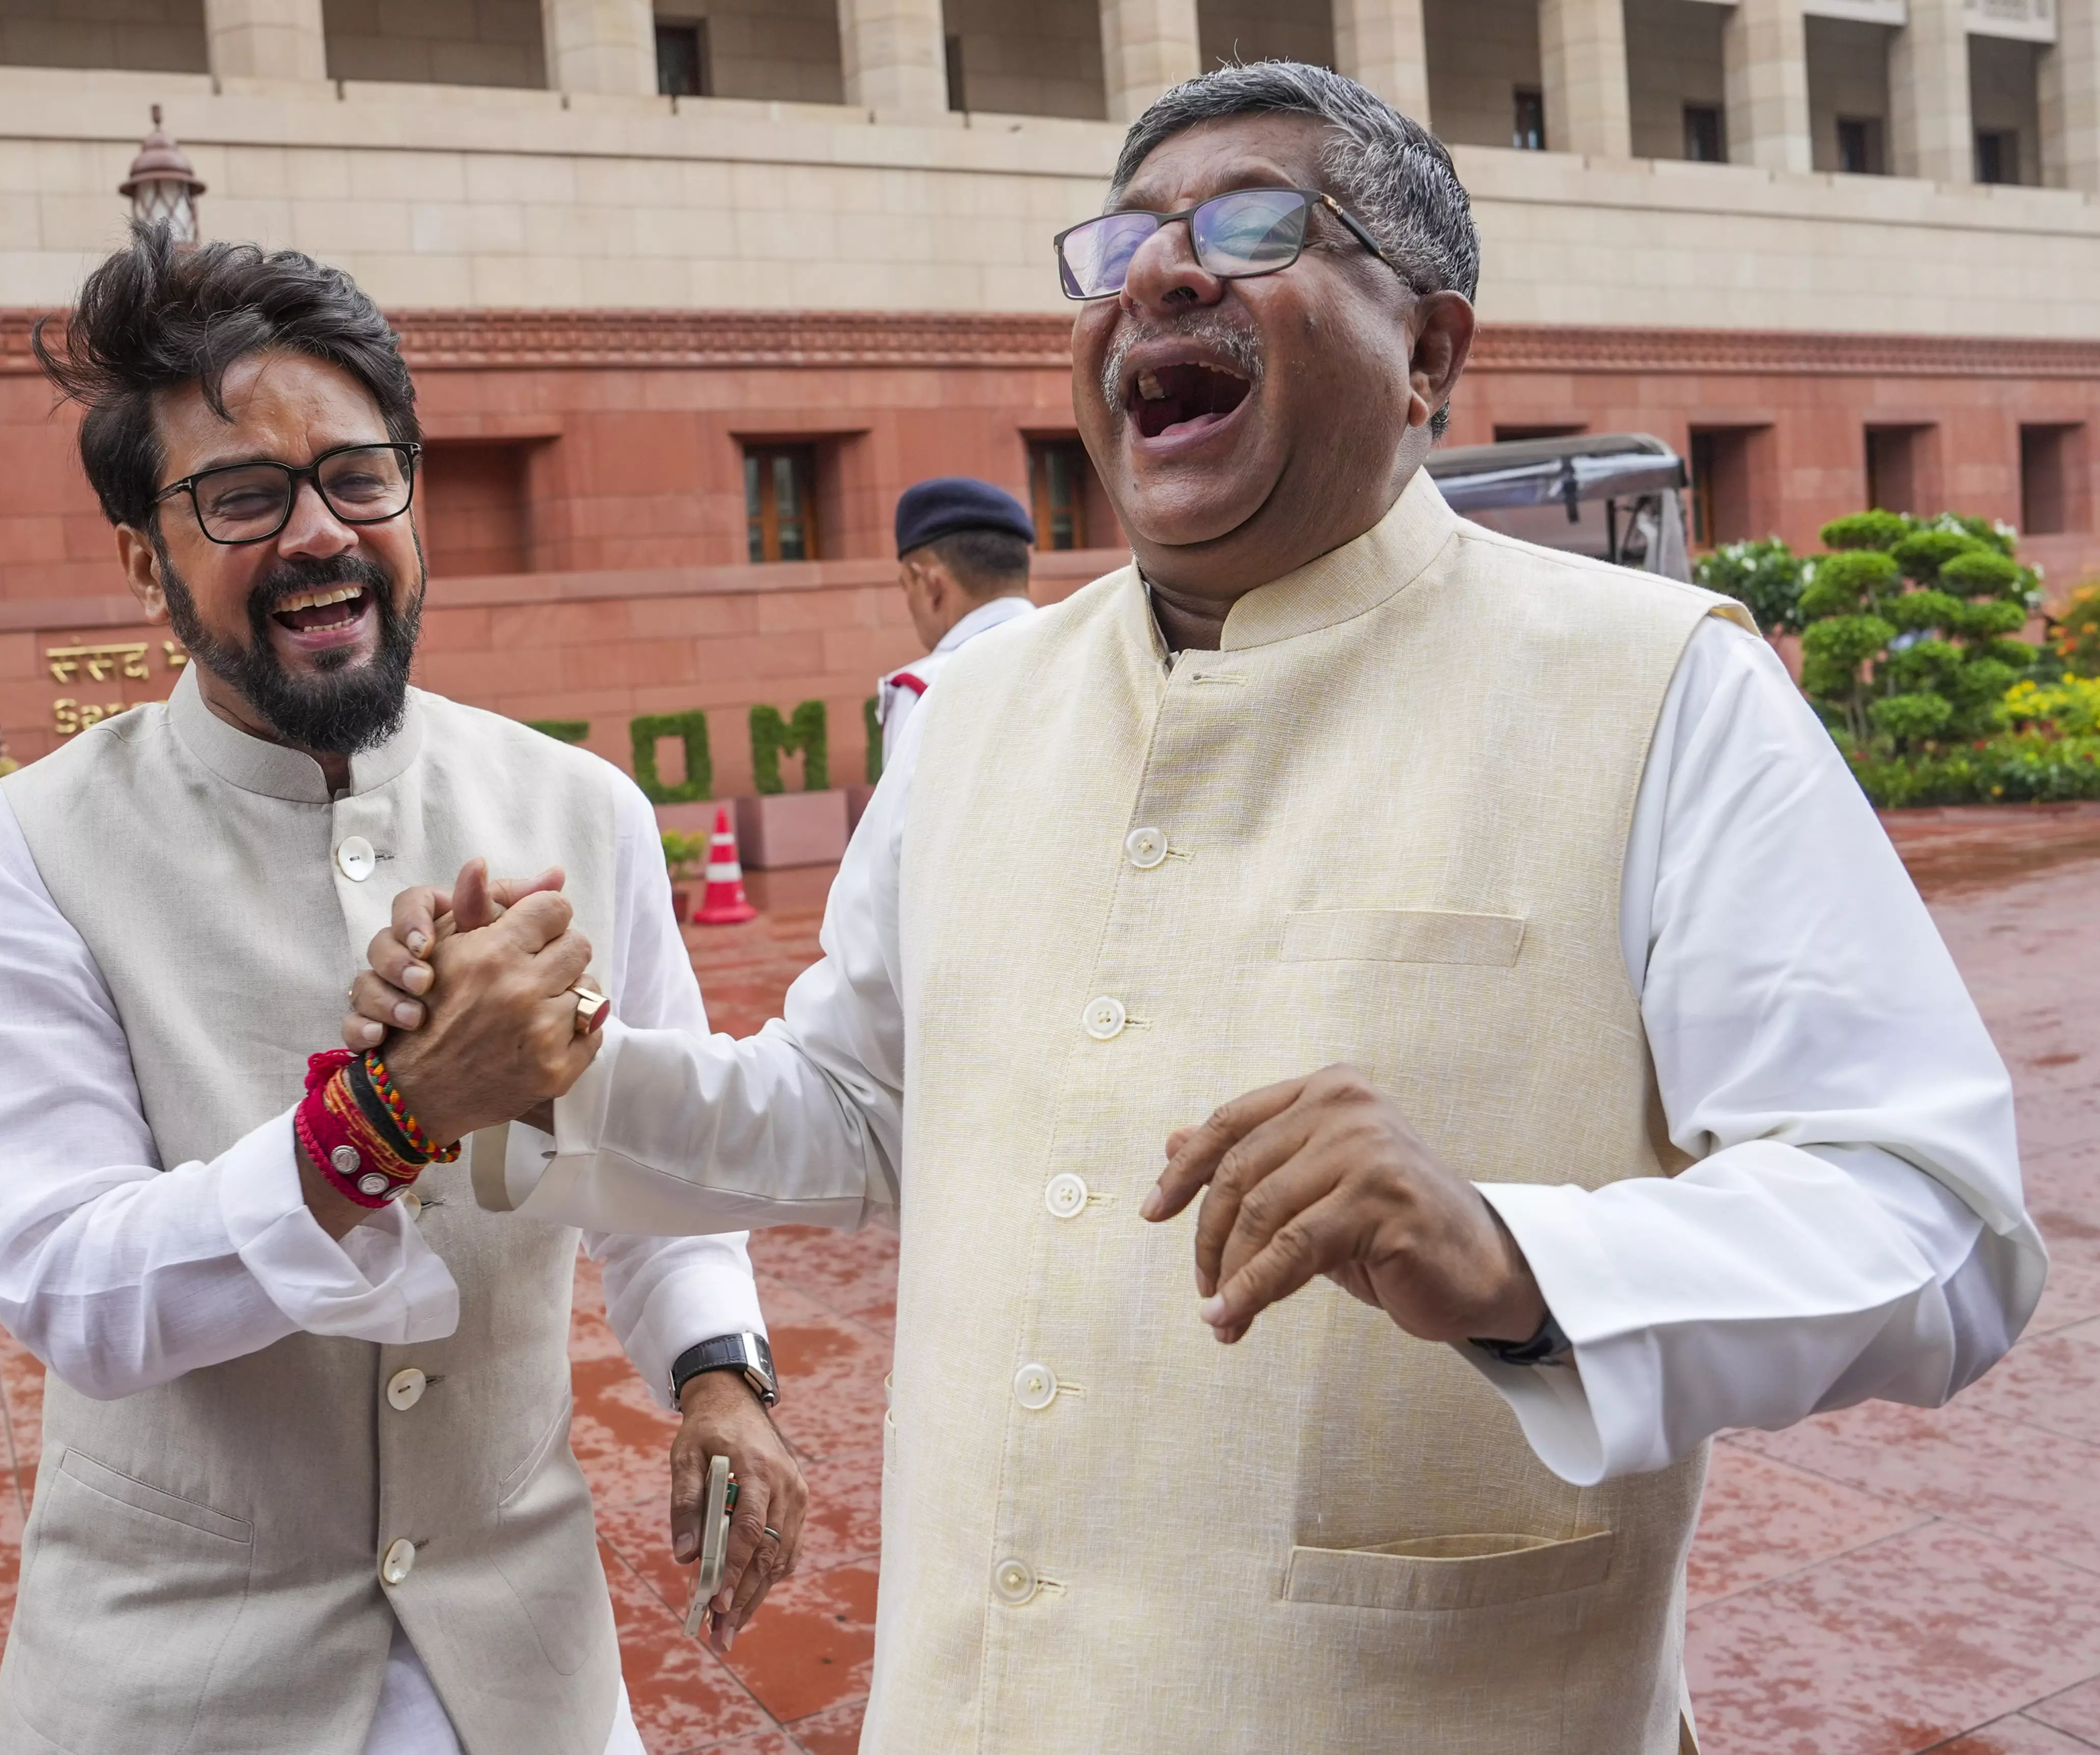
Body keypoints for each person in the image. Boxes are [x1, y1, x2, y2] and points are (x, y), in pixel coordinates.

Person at [345, 62, 2045, 1755]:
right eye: (1124, 242)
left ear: (1431, 356)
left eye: (1249, 227)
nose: (1162, 272)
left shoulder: (1653, 694)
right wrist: (545, 1069)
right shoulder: (977, 714)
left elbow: (1932, 1225)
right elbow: (860, 1115)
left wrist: (1517, 1259)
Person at [0, 226, 805, 1755]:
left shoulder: (577, 808)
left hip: (527, 1670)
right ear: (145, 556)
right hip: (178, 1688)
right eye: (242, 498)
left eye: (358, 476)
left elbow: (660, 1176)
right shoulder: (20, 855)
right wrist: (382, 1123)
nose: (319, 532)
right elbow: (73, 1289)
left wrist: (721, 1375)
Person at [873, 477, 1037, 767]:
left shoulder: (925, 690)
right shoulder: (1094, 658)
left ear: (931, 584)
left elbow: (906, 813)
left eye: (905, 585)